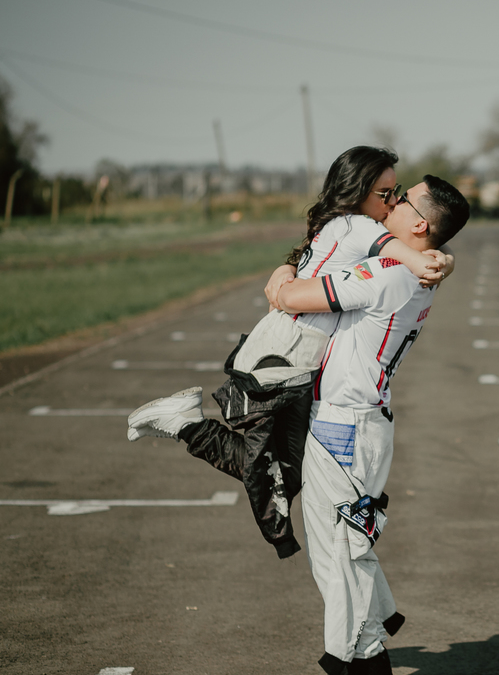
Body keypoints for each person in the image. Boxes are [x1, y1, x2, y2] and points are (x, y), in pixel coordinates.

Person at [127, 147, 454, 560]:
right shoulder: (357, 226)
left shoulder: (345, 227)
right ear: (358, 191)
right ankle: (186, 422)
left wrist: (443, 258)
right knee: (269, 468)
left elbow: (343, 260)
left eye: (397, 194)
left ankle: (187, 423)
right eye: (386, 194)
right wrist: (429, 263)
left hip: (293, 354)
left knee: (280, 470)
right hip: (286, 356)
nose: (392, 202)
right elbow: (395, 251)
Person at [268, 174, 470, 675]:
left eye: (402, 199)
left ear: (420, 225)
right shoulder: (413, 268)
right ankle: (368, 662)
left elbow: (291, 297)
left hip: (346, 424)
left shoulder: (389, 272)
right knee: (344, 547)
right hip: (354, 421)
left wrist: (282, 272)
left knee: (341, 550)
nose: (392, 203)